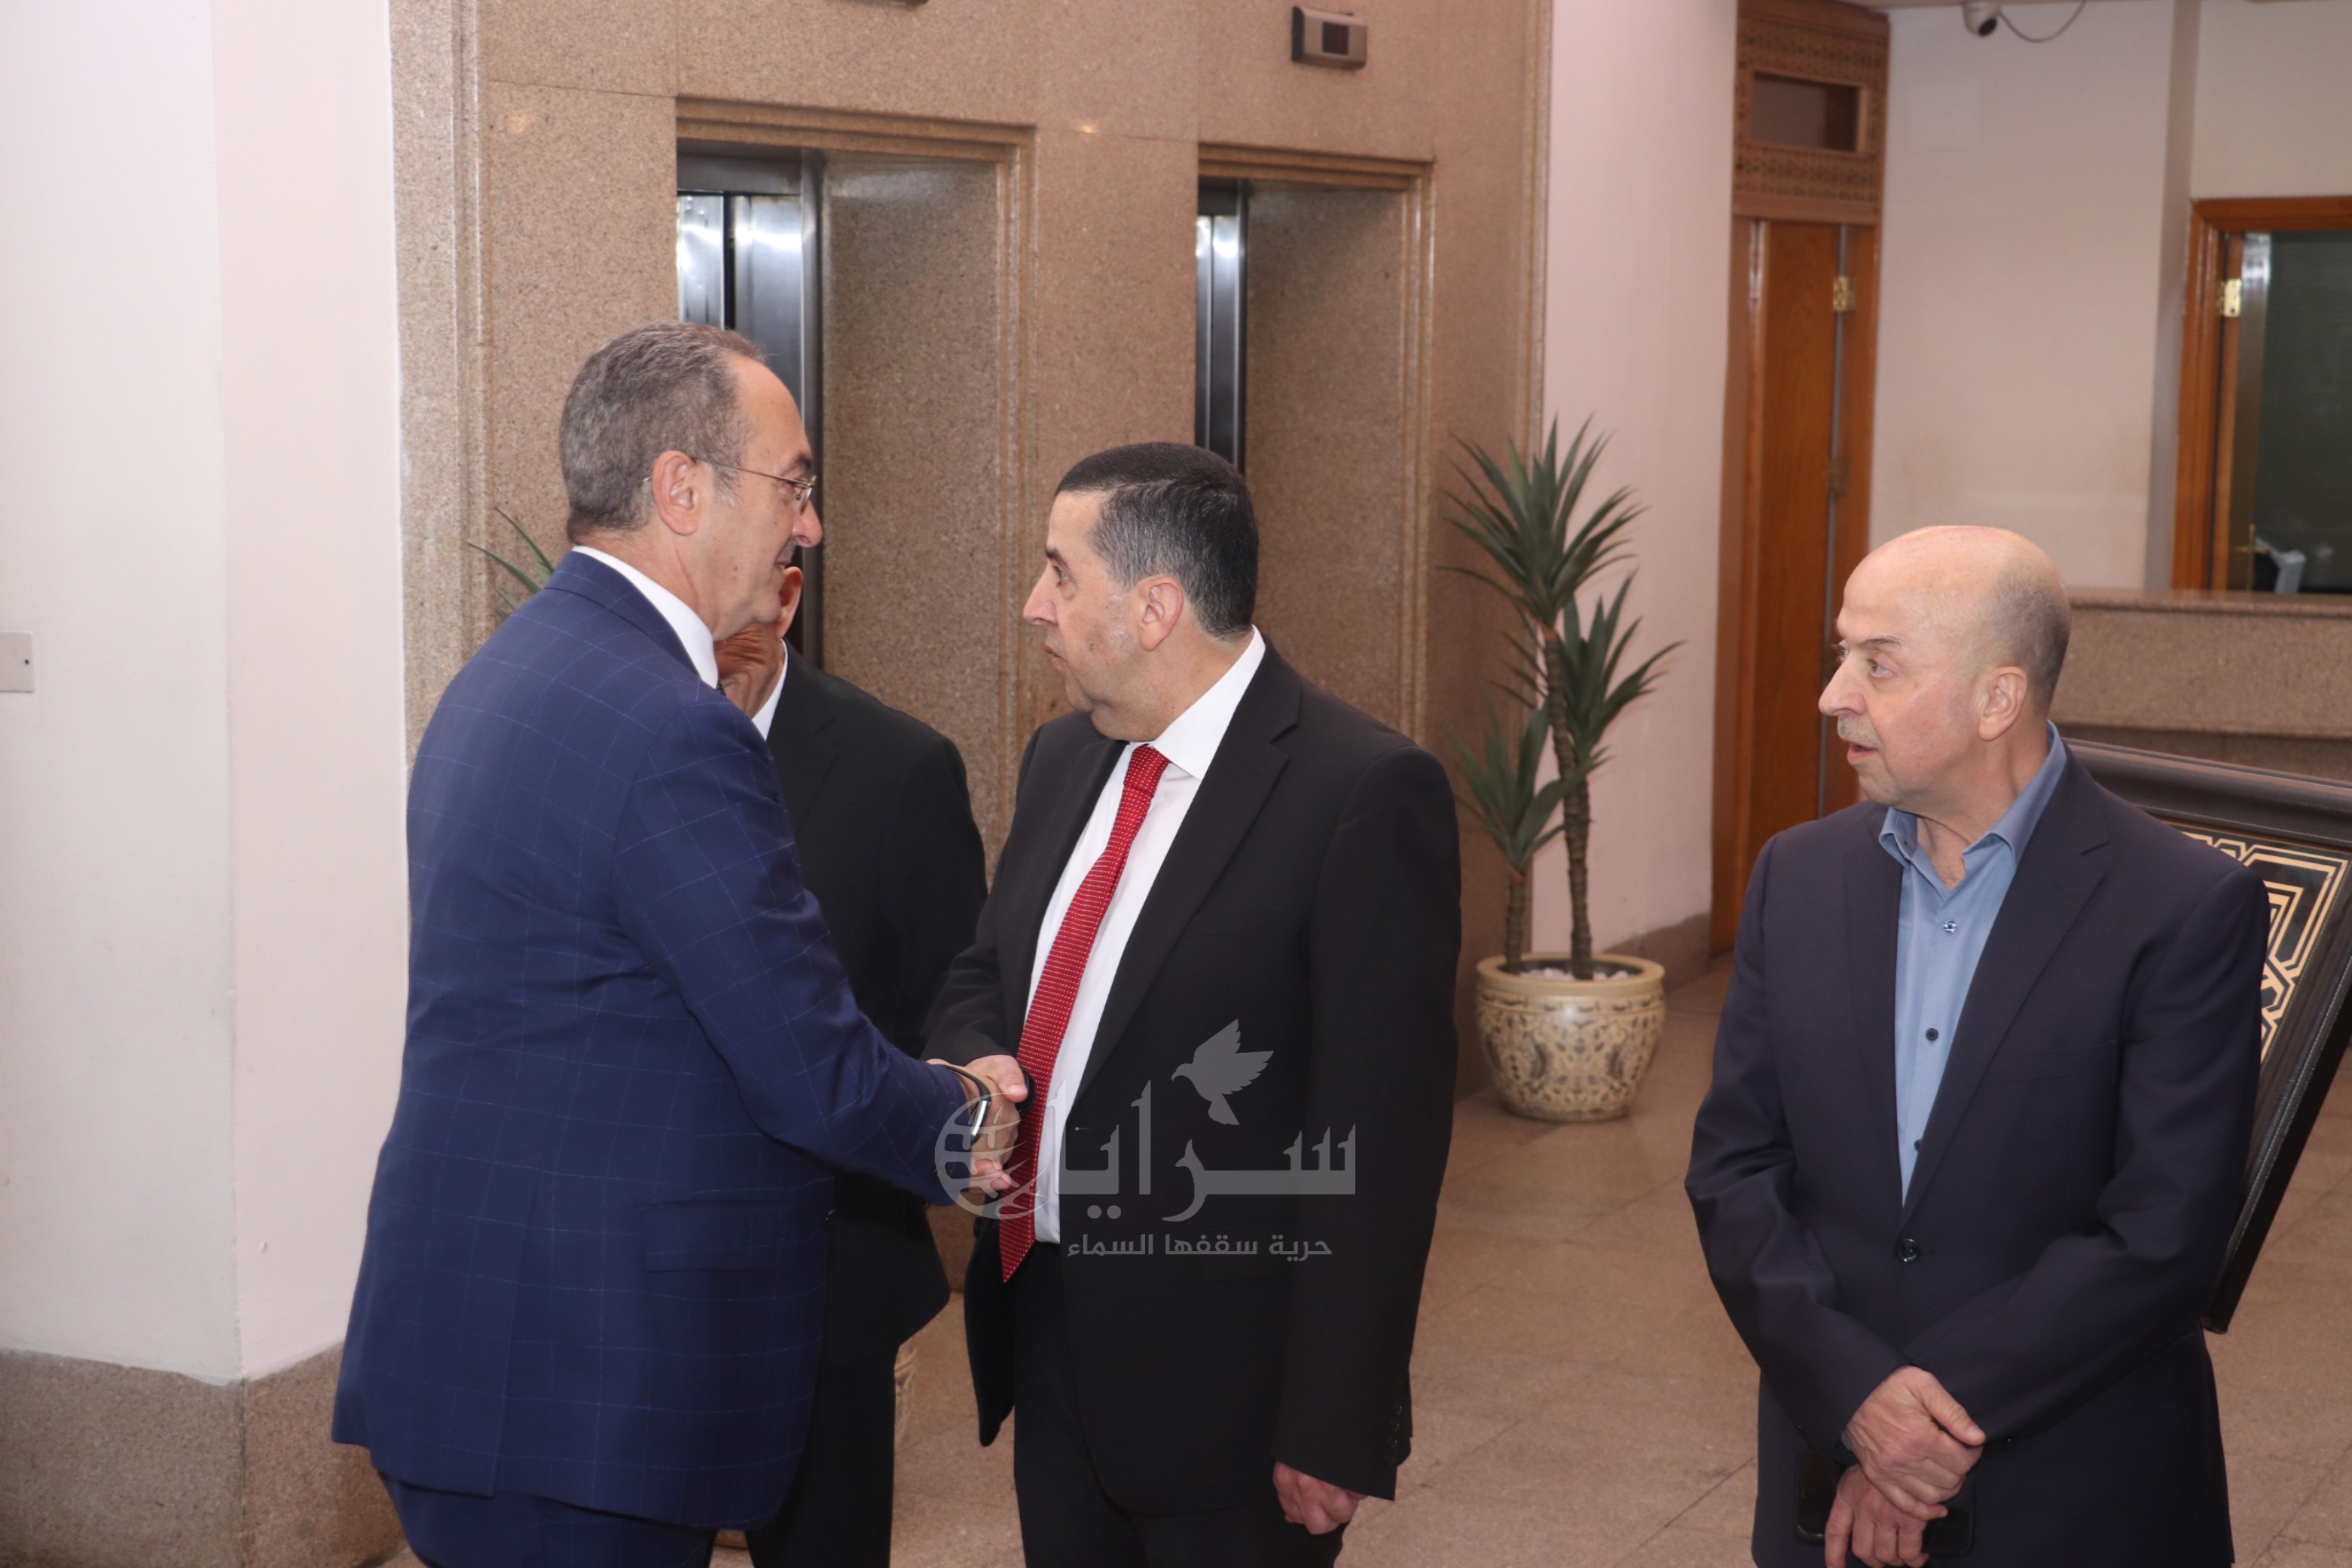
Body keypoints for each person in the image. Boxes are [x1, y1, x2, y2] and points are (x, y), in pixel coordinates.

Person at [333, 322, 1023, 1568]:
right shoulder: (673, 726)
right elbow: (808, 1061)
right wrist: (966, 1117)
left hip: (485, 1348)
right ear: (681, 487)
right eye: (794, 484)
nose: (811, 526)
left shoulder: (510, 671)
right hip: (583, 1380)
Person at [1687, 526, 2267, 1568]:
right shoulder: (1796, 877)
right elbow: (1736, 1170)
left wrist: (1922, 1428)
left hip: (2078, 1488)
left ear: (1999, 698)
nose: (1833, 696)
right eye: (1841, 654)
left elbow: (2165, 1232)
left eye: (1878, 664)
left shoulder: (2181, 905)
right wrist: (1857, 1398)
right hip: (1828, 1464)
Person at [929, 442, 1461, 1568]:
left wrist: (1335, 1420)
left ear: (1156, 606)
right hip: (1050, 1331)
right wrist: (976, 1062)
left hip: (1234, 1404)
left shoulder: (1361, 791)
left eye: (1059, 573)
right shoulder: (1063, 756)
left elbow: (1382, 1140)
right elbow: (990, 970)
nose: (1034, 606)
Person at [710, 568, 989, 1568]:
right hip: (646, 1271)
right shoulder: (624, 741)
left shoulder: (898, 768)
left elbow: (952, 1006)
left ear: (785, 600)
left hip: (829, 1269)